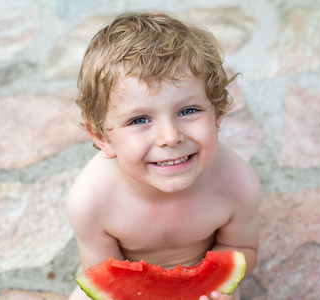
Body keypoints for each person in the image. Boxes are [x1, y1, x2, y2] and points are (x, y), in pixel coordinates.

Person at [66, 12, 261, 300]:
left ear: (217, 115)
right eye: (139, 120)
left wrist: (212, 288)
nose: (171, 137)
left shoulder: (238, 183)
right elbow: (101, 272)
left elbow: (244, 250)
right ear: (102, 137)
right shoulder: (91, 201)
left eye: (188, 111)